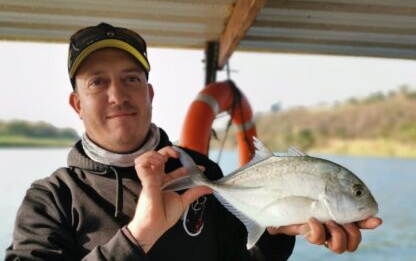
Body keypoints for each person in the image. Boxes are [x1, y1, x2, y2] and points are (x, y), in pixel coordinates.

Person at [6, 22, 382, 260]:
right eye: (97, 82)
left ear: (150, 93)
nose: (117, 95)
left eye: (131, 79)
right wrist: (137, 238)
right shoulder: (50, 198)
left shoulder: (202, 170)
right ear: (77, 103)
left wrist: (274, 233)